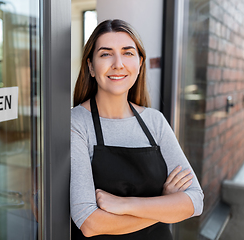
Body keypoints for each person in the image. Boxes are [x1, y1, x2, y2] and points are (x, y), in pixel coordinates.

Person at [70, 19, 204, 239]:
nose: (118, 63)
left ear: (140, 64)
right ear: (91, 66)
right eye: (105, 54)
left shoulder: (155, 121)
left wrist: (124, 204)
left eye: (128, 53)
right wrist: (164, 205)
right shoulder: (77, 123)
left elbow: (195, 200)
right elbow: (89, 222)